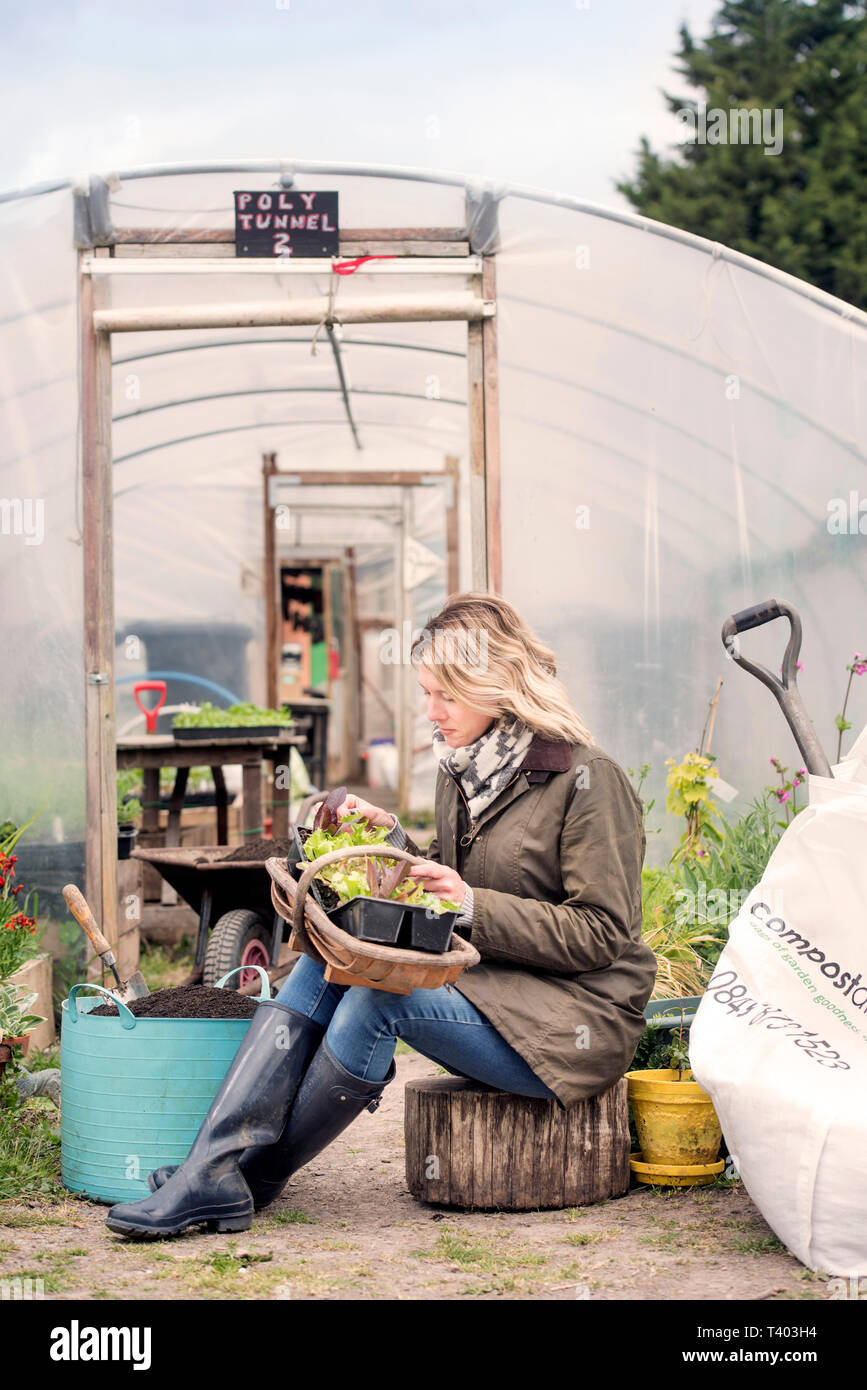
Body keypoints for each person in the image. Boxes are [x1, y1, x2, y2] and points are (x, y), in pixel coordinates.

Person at [106, 592, 657, 1238]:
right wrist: (391, 841)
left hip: (571, 1024)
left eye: (446, 695)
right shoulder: (464, 773)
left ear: (496, 684)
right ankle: (213, 1166)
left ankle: (251, 1178)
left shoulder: (587, 780)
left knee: (378, 1000)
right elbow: (442, 882)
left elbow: (600, 933)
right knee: (327, 960)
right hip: (495, 989)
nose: (432, 712)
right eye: (426, 694)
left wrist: (470, 904)